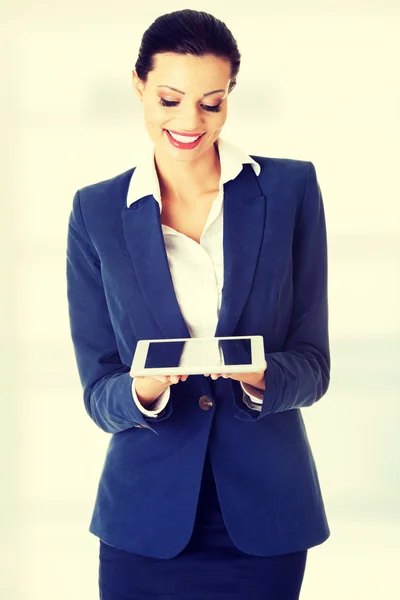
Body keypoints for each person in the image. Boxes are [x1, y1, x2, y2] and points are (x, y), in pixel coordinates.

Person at [66, 8, 331, 600]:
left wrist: (260, 376)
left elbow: (314, 365)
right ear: (138, 85)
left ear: (230, 95)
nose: (190, 121)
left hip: (267, 517)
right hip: (144, 522)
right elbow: (97, 391)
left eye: (212, 103)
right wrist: (145, 388)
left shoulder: (288, 190)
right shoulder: (96, 212)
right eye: (169, 99)